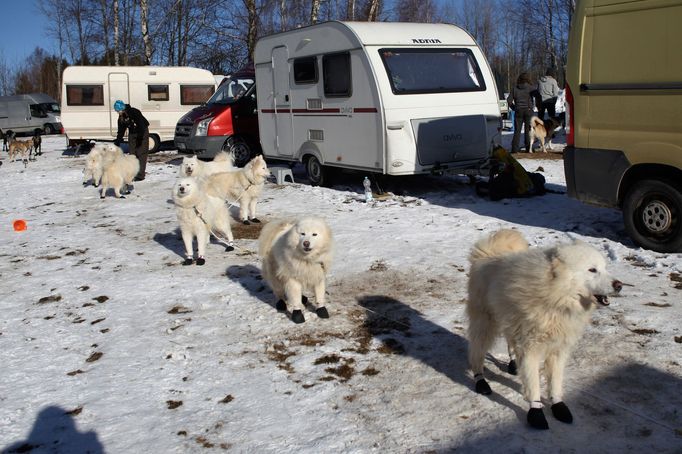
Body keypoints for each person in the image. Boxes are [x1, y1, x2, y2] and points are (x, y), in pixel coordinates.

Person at [113, 99, 150, 181]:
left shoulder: (134, 112)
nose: (117, 112)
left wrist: (140, 138)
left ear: (122, 108)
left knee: (141, 152)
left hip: (142, 131)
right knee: (132, 153)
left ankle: (140, 175)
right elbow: (121, 130)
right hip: (132, 133)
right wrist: (118, 141)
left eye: (118, 110)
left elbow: (141, 125)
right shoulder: (121, 118)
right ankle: (133, 172)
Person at [507, 72, 535, 153]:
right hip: (528, 111)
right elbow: (538, 95)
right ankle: (528, 148)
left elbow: (509, 100)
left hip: (518, 111)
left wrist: (514, 108)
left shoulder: (514, 88)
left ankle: (514, 149)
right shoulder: (531, 88)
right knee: (528, 130)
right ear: (527, 79)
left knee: (517, 131)